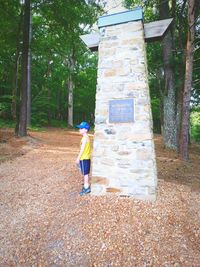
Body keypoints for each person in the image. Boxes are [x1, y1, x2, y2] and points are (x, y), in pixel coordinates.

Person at [76, 121, 91, 196]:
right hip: (87, 157)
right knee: (86, 173)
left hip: (84, 158)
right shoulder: (87, 137)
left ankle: (86, 187)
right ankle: (86, 185)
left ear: (86, 129)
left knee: (85, 174)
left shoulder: (85, 138)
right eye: (79, 128)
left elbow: (82, 149)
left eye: (81, 128)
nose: (79, 130)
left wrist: (78, 158)